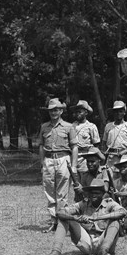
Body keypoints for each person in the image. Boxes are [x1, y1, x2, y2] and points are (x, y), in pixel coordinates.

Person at [35, 179, 126, 255]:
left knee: (115, 221)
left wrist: (97, 218)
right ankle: (55, 254)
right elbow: (60, 212)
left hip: (104, 242)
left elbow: (122, 212)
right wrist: (75, 218)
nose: (93, 195)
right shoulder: (83, 203)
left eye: (97, 193)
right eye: (91, 193)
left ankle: (103, 253)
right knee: (64, 218)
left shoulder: (109, 202)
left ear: (103, 194)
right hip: (87, 243)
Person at [38, 98, 79, 232]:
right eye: (51, 110)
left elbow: (74, 147)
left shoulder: (68, 126)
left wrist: (73, 166)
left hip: (63, 159)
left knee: (62, 193)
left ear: (61, 111)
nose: (53, 113)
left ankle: (62, 221)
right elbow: (41, 146)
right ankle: (53, 221)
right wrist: (42, 163)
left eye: (56, 110)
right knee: (50, 192)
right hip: (49, 160)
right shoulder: (44, 127)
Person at [102, 100, 127, 168]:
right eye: (116, 111)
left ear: (124, 112)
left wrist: (126, 150)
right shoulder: (108, 126)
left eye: (120, 111)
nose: (118, 113)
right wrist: (105, 154)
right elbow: (104, 143)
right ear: (113, 113)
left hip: (123, 157)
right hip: (111, 158)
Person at [71, 100, 100, 174]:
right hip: (73, 157)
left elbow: (96, 145)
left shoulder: (91, 126)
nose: (78, 114)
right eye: (76, 112)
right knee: (74, 181)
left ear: (86, 113)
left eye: (80, 112)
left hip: (85, 159)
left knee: (86, 179)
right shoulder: (72, 126)